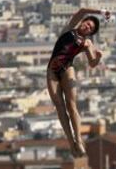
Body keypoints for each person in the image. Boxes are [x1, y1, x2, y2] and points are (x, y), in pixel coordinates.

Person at [47, 8, 111, 157]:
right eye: (87, 23)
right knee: (60, 107)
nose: (87, 27)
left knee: (71, 105)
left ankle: (79, 139)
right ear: (83, 22)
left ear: (90, 33)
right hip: (52, 70)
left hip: (67, 69)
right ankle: (72, 143)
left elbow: (92, 63)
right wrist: (100, 12)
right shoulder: (69, 29)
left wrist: (98, 57)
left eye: (90, 28)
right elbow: (81, 11)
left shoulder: (86, 43)